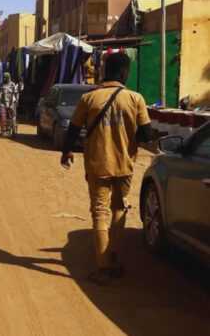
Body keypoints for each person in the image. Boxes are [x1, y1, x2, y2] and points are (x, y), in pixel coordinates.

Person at [60, 52, 152, 286]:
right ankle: (114, 257)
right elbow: (146, 134)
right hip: (124, 164)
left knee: (99, 213)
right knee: (119, 208)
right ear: (125, 73)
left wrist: (67, 151)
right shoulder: (136, 99)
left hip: (97, 163)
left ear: (104, 72)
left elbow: (74, 129)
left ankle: (103, 268)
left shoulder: (89, 99)